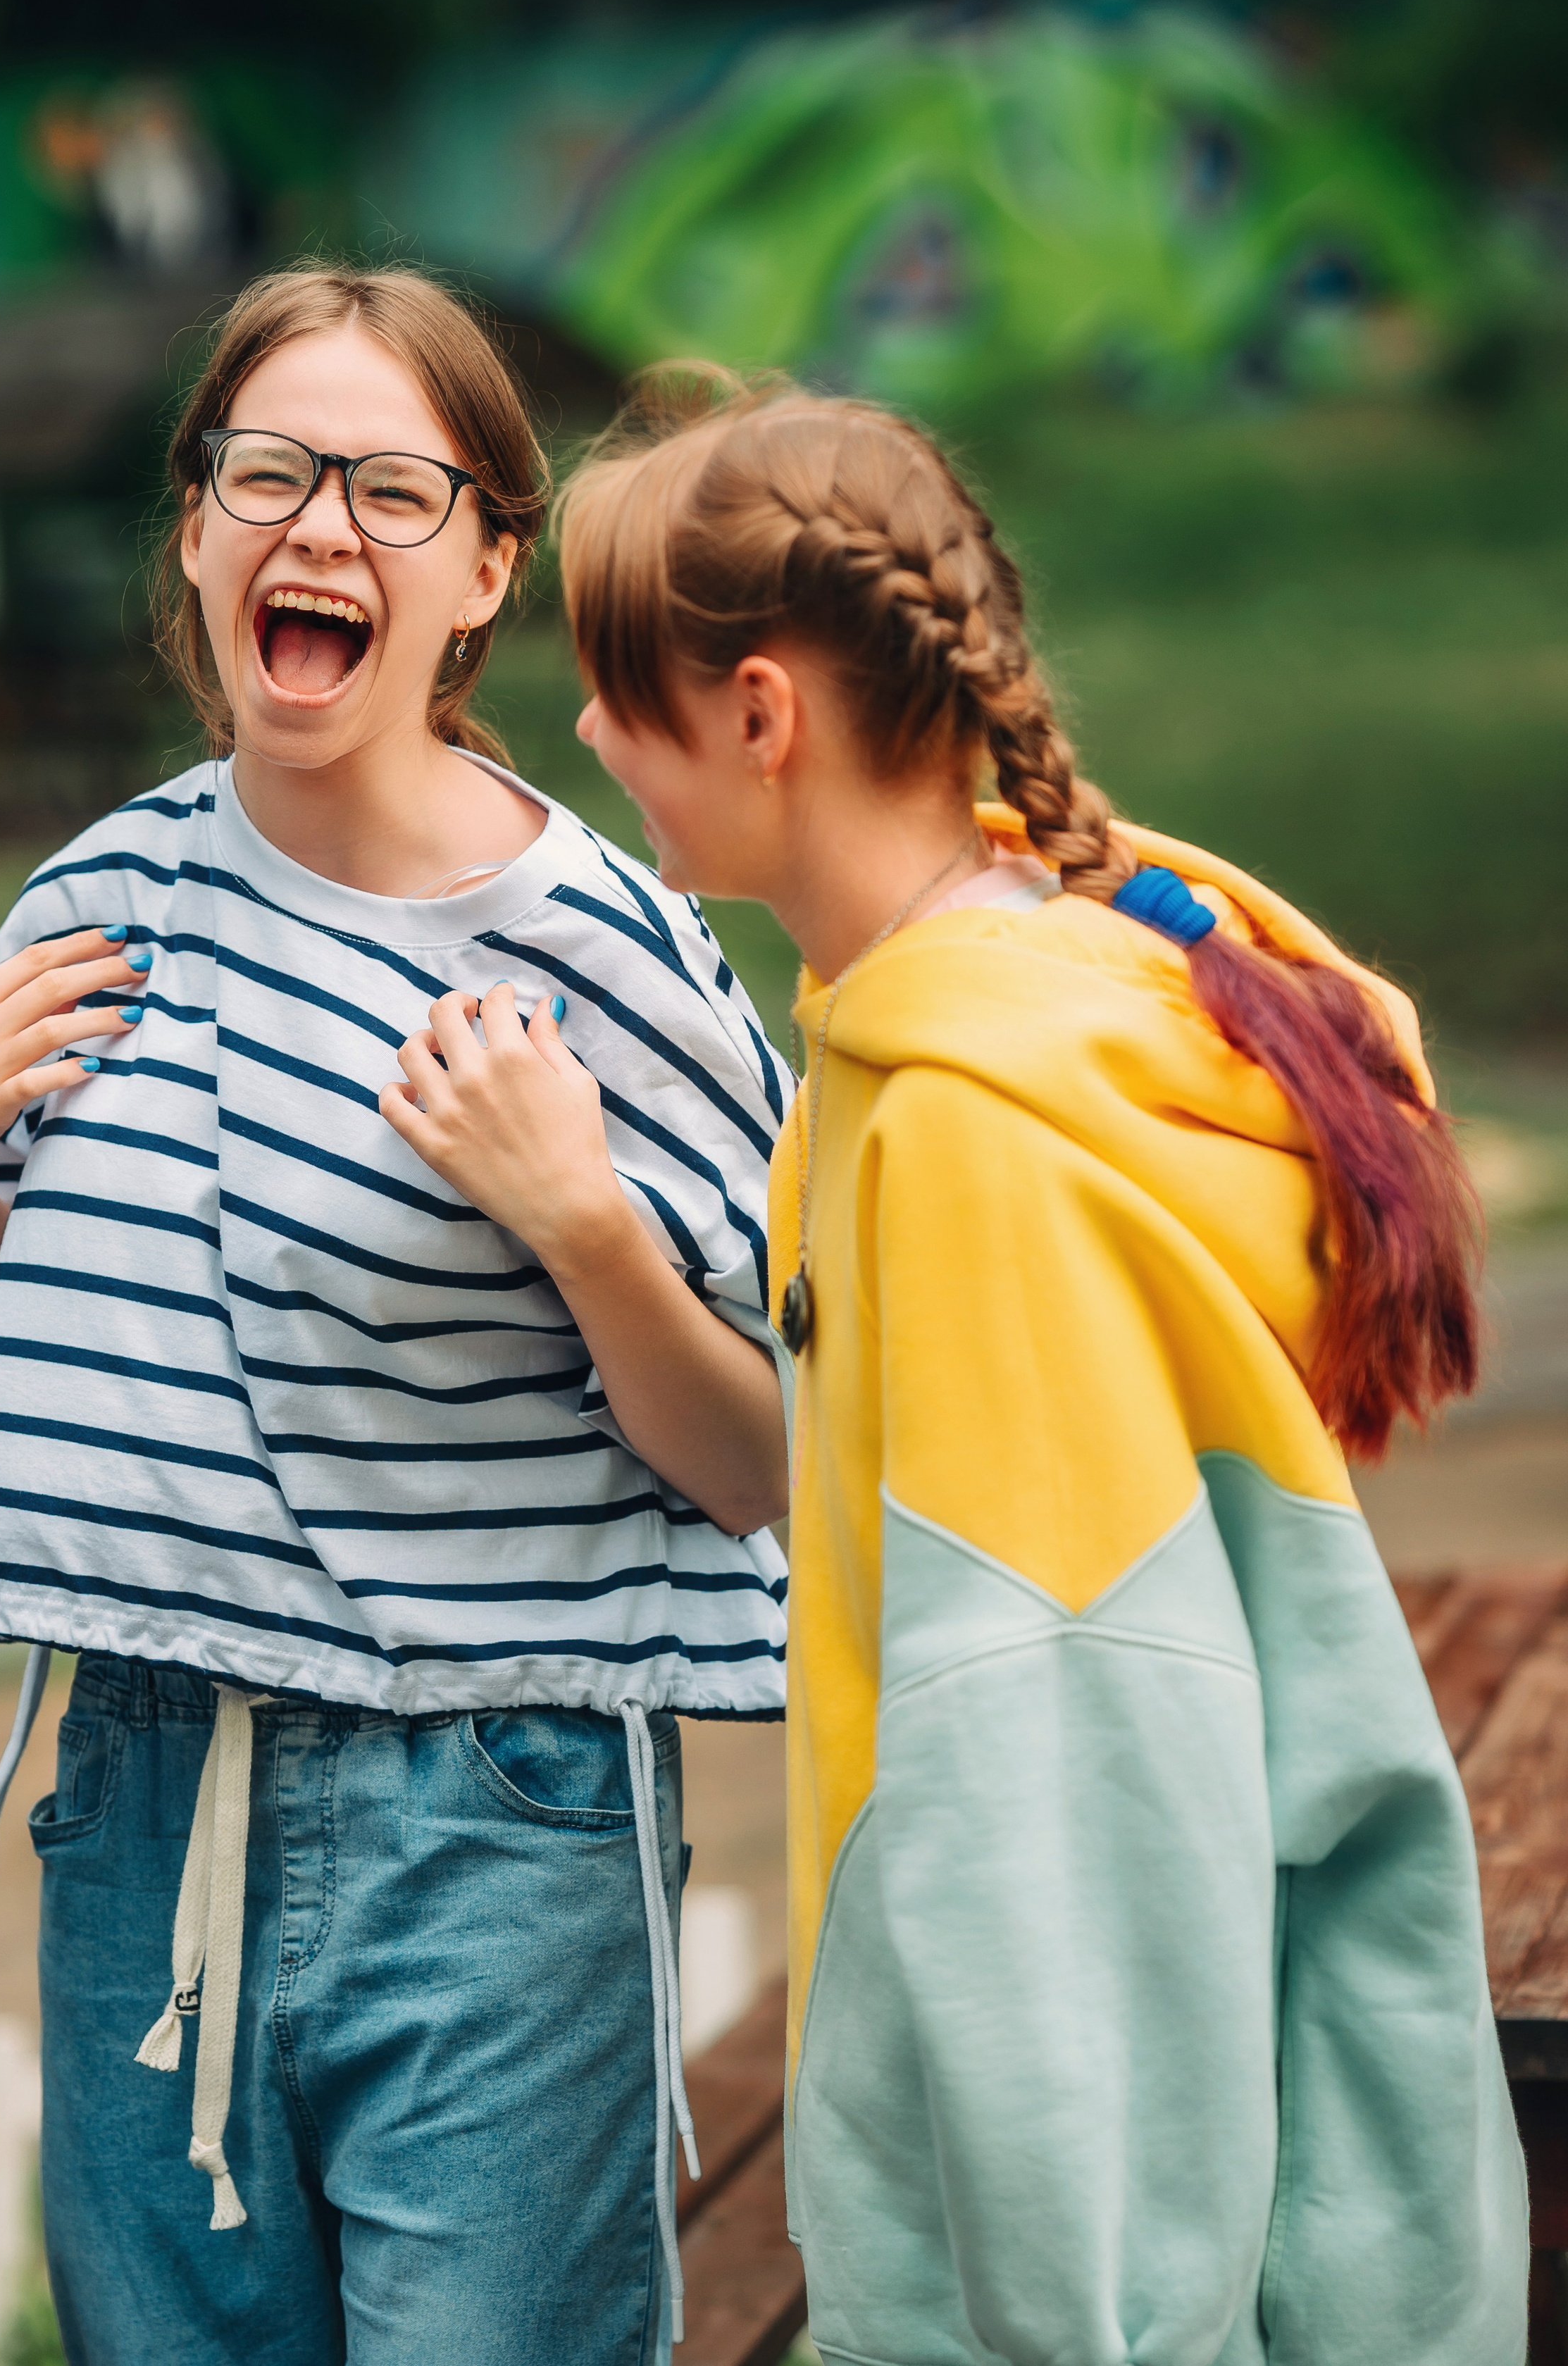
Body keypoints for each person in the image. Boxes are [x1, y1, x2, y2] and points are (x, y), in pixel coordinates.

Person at [556, 371, 1529, 2366]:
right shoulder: (980, 1016)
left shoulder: (974, 1137)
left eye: (615, 686)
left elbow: (1071, 1811)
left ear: (762, 713)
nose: (579, 734)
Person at [0, 271, 792, 2366]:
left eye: (394, 490)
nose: (320, 531)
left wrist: (586, 1226)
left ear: (487, 567)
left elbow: (763, 1463)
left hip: (499, 1813)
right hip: (143, 1779)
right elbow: (102, 1372)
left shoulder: (613, 957)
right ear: (195, 528)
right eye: (270, 471)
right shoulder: (85, 915)